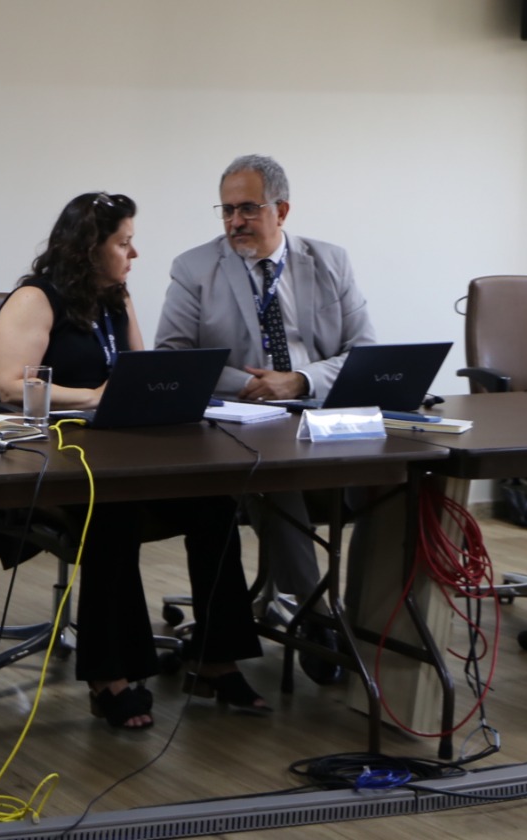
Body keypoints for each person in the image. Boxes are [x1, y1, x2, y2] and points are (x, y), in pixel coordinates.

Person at [0, 192, 265, 729]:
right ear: (89, 247)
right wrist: (92, 396)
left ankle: (215, 658)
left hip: (123, 444)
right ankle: (109, 675)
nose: (133, 254)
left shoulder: (115, 297)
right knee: (112, 511)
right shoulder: (35, 298)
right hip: (59, 453)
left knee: (215, 503)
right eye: (124, 243)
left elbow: (138, 370)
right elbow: (10, 385)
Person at [155, 153, 375, 684]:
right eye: (227, 210)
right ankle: (315, 611)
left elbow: (364, 351)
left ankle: (374, 612)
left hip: (320, 409)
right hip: (245, 417)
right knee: (274, 472)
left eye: (248, 209)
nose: (235, 221)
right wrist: (254, 386)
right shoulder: (194, 268)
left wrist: (299, 381)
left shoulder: (330, 260)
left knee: (398, 474)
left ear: (282, 210)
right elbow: (173, 356)